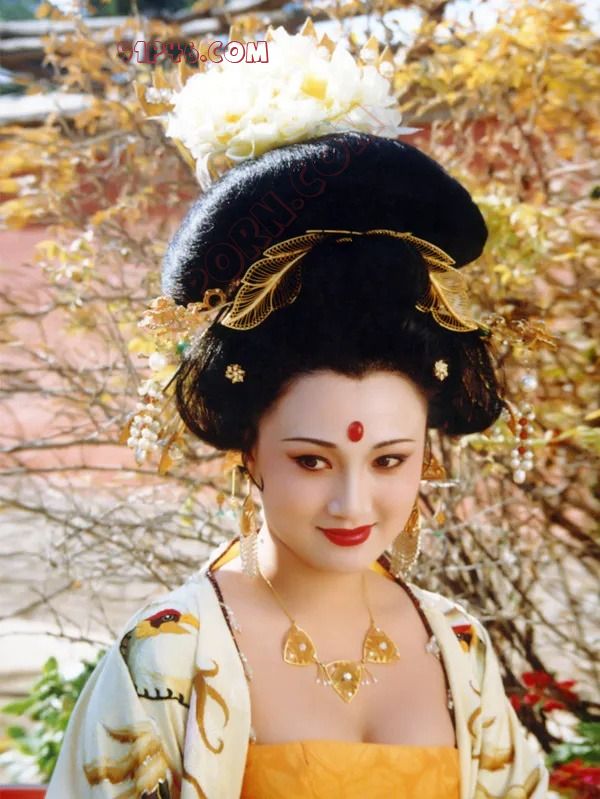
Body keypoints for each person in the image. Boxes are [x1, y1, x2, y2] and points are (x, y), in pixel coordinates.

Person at [46, 131, 550, 798]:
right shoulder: (171, 654)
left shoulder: (459, 644)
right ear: (250, 448)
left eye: (389, 460)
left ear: (425, 454)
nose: (352, 502)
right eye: (312, 460)